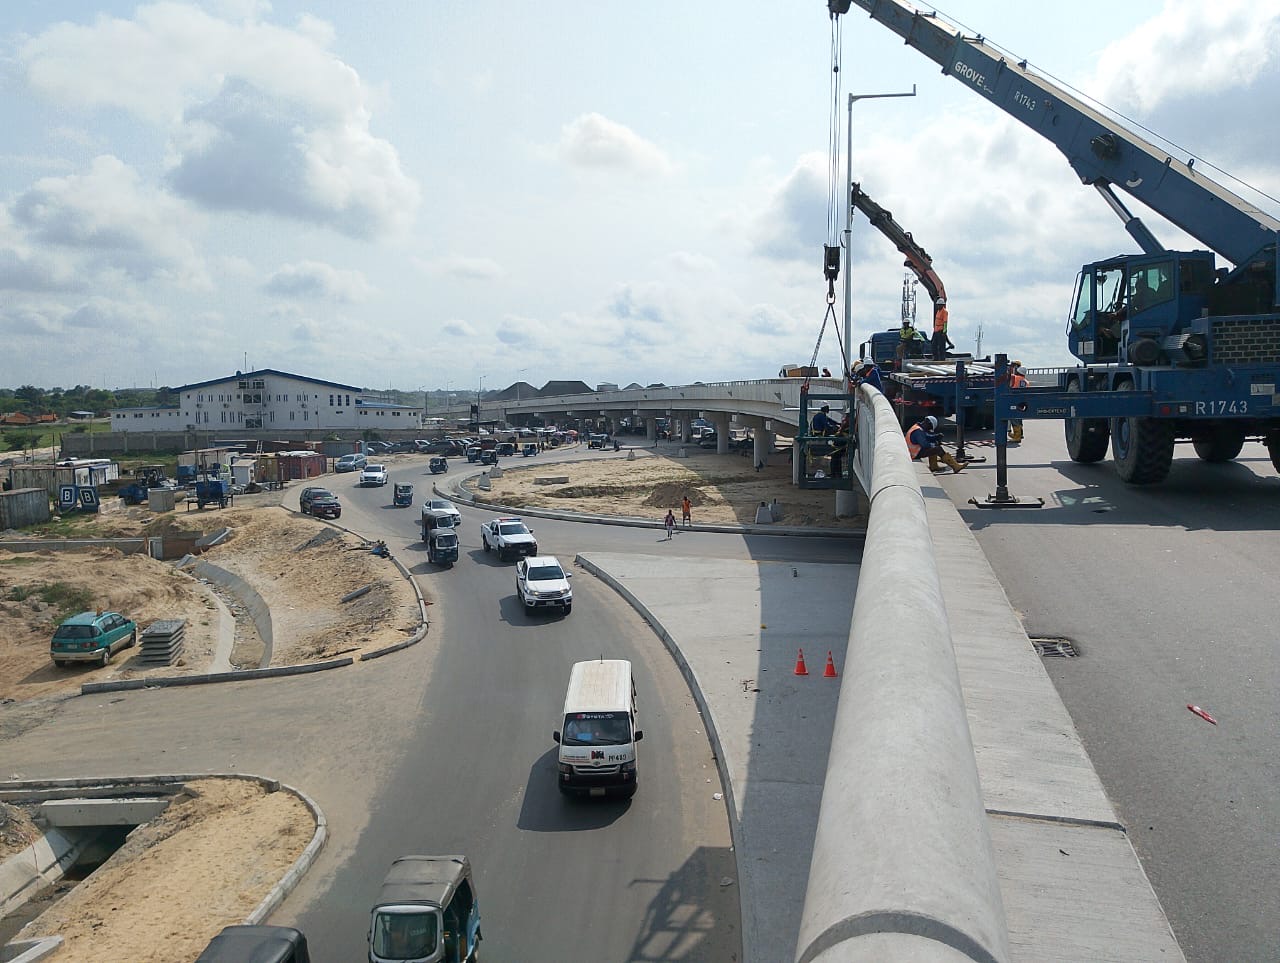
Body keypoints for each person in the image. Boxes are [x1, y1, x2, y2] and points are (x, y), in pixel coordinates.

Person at [1007, 361, 1028, 443]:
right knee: (1019, 418)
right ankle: (1020, 434)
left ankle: (1017, 436)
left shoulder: (1014, 377)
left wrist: (1011, 367)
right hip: (1021, 402)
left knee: (1014, 418)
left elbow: (1009, 376)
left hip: (1014, 401)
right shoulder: (1026, 382)